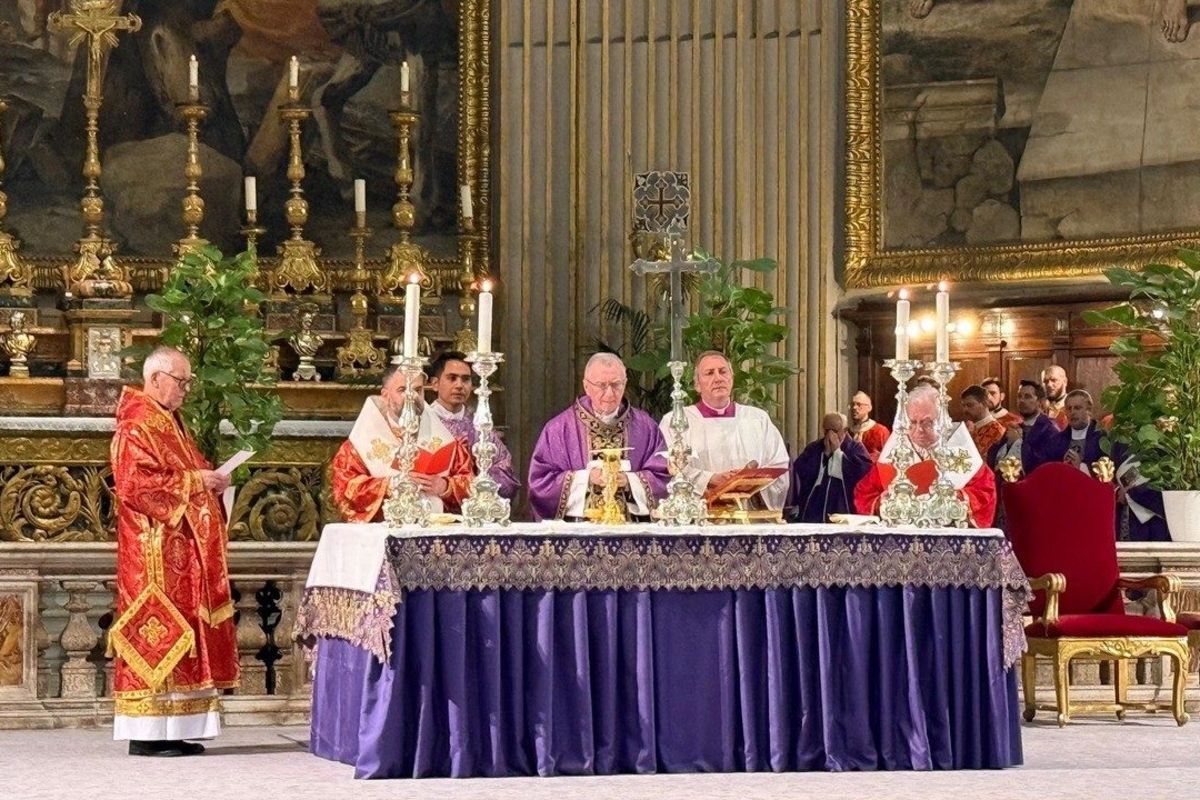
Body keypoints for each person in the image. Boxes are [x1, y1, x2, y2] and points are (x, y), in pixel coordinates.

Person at [109, 347, 237, 757]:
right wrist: (196, 481)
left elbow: (183, 473)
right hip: (152, 550)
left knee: (184, 632)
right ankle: (146, 733)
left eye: (187, 382)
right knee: (156, 630)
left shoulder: (167, 421)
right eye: (181, 381)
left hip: (178, 548)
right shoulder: (137, 424)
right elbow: (135, 485)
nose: (185, 389)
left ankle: (172, 727)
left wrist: (211, 481)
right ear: (156, 377)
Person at [528, 352, 670, 521]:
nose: (610, 393)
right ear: (586, 386)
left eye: (616, 385)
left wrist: (628, 481)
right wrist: (587, 479)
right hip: (578, 535)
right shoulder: (559, 429)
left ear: (625, 384)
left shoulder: (646, 427)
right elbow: (540, 484)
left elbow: (664, 479)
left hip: (633, 533)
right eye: (602, 385)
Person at [331, 363, 474, 522]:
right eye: (402, 390)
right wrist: (390, 485)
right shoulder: (359, 444)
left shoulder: (444, 438)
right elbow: (345, 489)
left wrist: (445, 486)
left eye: (417, 390)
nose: (411, 397)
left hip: (434, 532)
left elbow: (470, 483)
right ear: (385, 396)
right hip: (384, 530)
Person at [658, 351, 790, 510]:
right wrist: (710, 479)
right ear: (697, 385)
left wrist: (747, 483)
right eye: (709, 373)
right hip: (700, 517)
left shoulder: (757, 419)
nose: (718, 378)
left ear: (731, 379)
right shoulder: (677, 420)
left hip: (748, 516)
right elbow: (668, 467)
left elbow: (778, 465)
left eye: (723, 371)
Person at [854, 385, 997, 527]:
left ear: (942, 420)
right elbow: (864, 494)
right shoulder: (897, 450)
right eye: (912, 423)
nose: (918, 430)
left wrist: (953, 499)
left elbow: (985, 492)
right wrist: (884, 501)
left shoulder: (959, 448)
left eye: (926, 423)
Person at [425, 350, 520, 499]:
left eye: (465, 379)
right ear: (435, 384)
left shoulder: (480, 426)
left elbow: (507, 477)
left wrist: (468, 484)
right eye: (452, 378)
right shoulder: (422, 422)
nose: (459, 385)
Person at [786, 412, 873, 523]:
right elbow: (800, 473)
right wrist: (825, 457)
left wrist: (837, 454)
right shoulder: (814, 448)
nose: (830, 436)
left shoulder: (855, 448)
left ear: (845, 430)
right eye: (827, 431)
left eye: (835, 431)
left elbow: (862, 474)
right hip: (814, 509)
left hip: (843, 506)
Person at [988, 380, 1059, 475]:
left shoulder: (1049, 429)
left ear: (1039, 401)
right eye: (1019, 396)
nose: (1021, 400)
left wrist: (1018, 443)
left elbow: (1045, 464)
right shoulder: (1015, 427)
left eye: (1027, 397)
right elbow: (992, 459)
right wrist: (1008, 445)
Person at [1048, 390, 1104, 474]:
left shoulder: (1101, 438)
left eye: (1077, 408)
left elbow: (1107, 475)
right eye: (1069, 409)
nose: (1072, 412)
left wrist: (1081, 467)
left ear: (1089, 410)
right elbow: (1050, 472)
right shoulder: (1056, 441)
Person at [961, 384, 1006, 457]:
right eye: (963, 405)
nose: (965, 410)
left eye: (970, 405)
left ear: (985, 403)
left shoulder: (997, 431)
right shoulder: (968, 429)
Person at [848, 390, 890, 460]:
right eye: (852, 405)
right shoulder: (847, 433)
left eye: (859, 404)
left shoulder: (880, 431)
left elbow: (888, 457)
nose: (854, 408)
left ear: (869, 407)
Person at [1041, 365, 1070, 430]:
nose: (1049, 385)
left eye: (1054, 380)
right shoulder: (1040, 409)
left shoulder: (1074, 408)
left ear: (1065, 381)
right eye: (1045, 381)